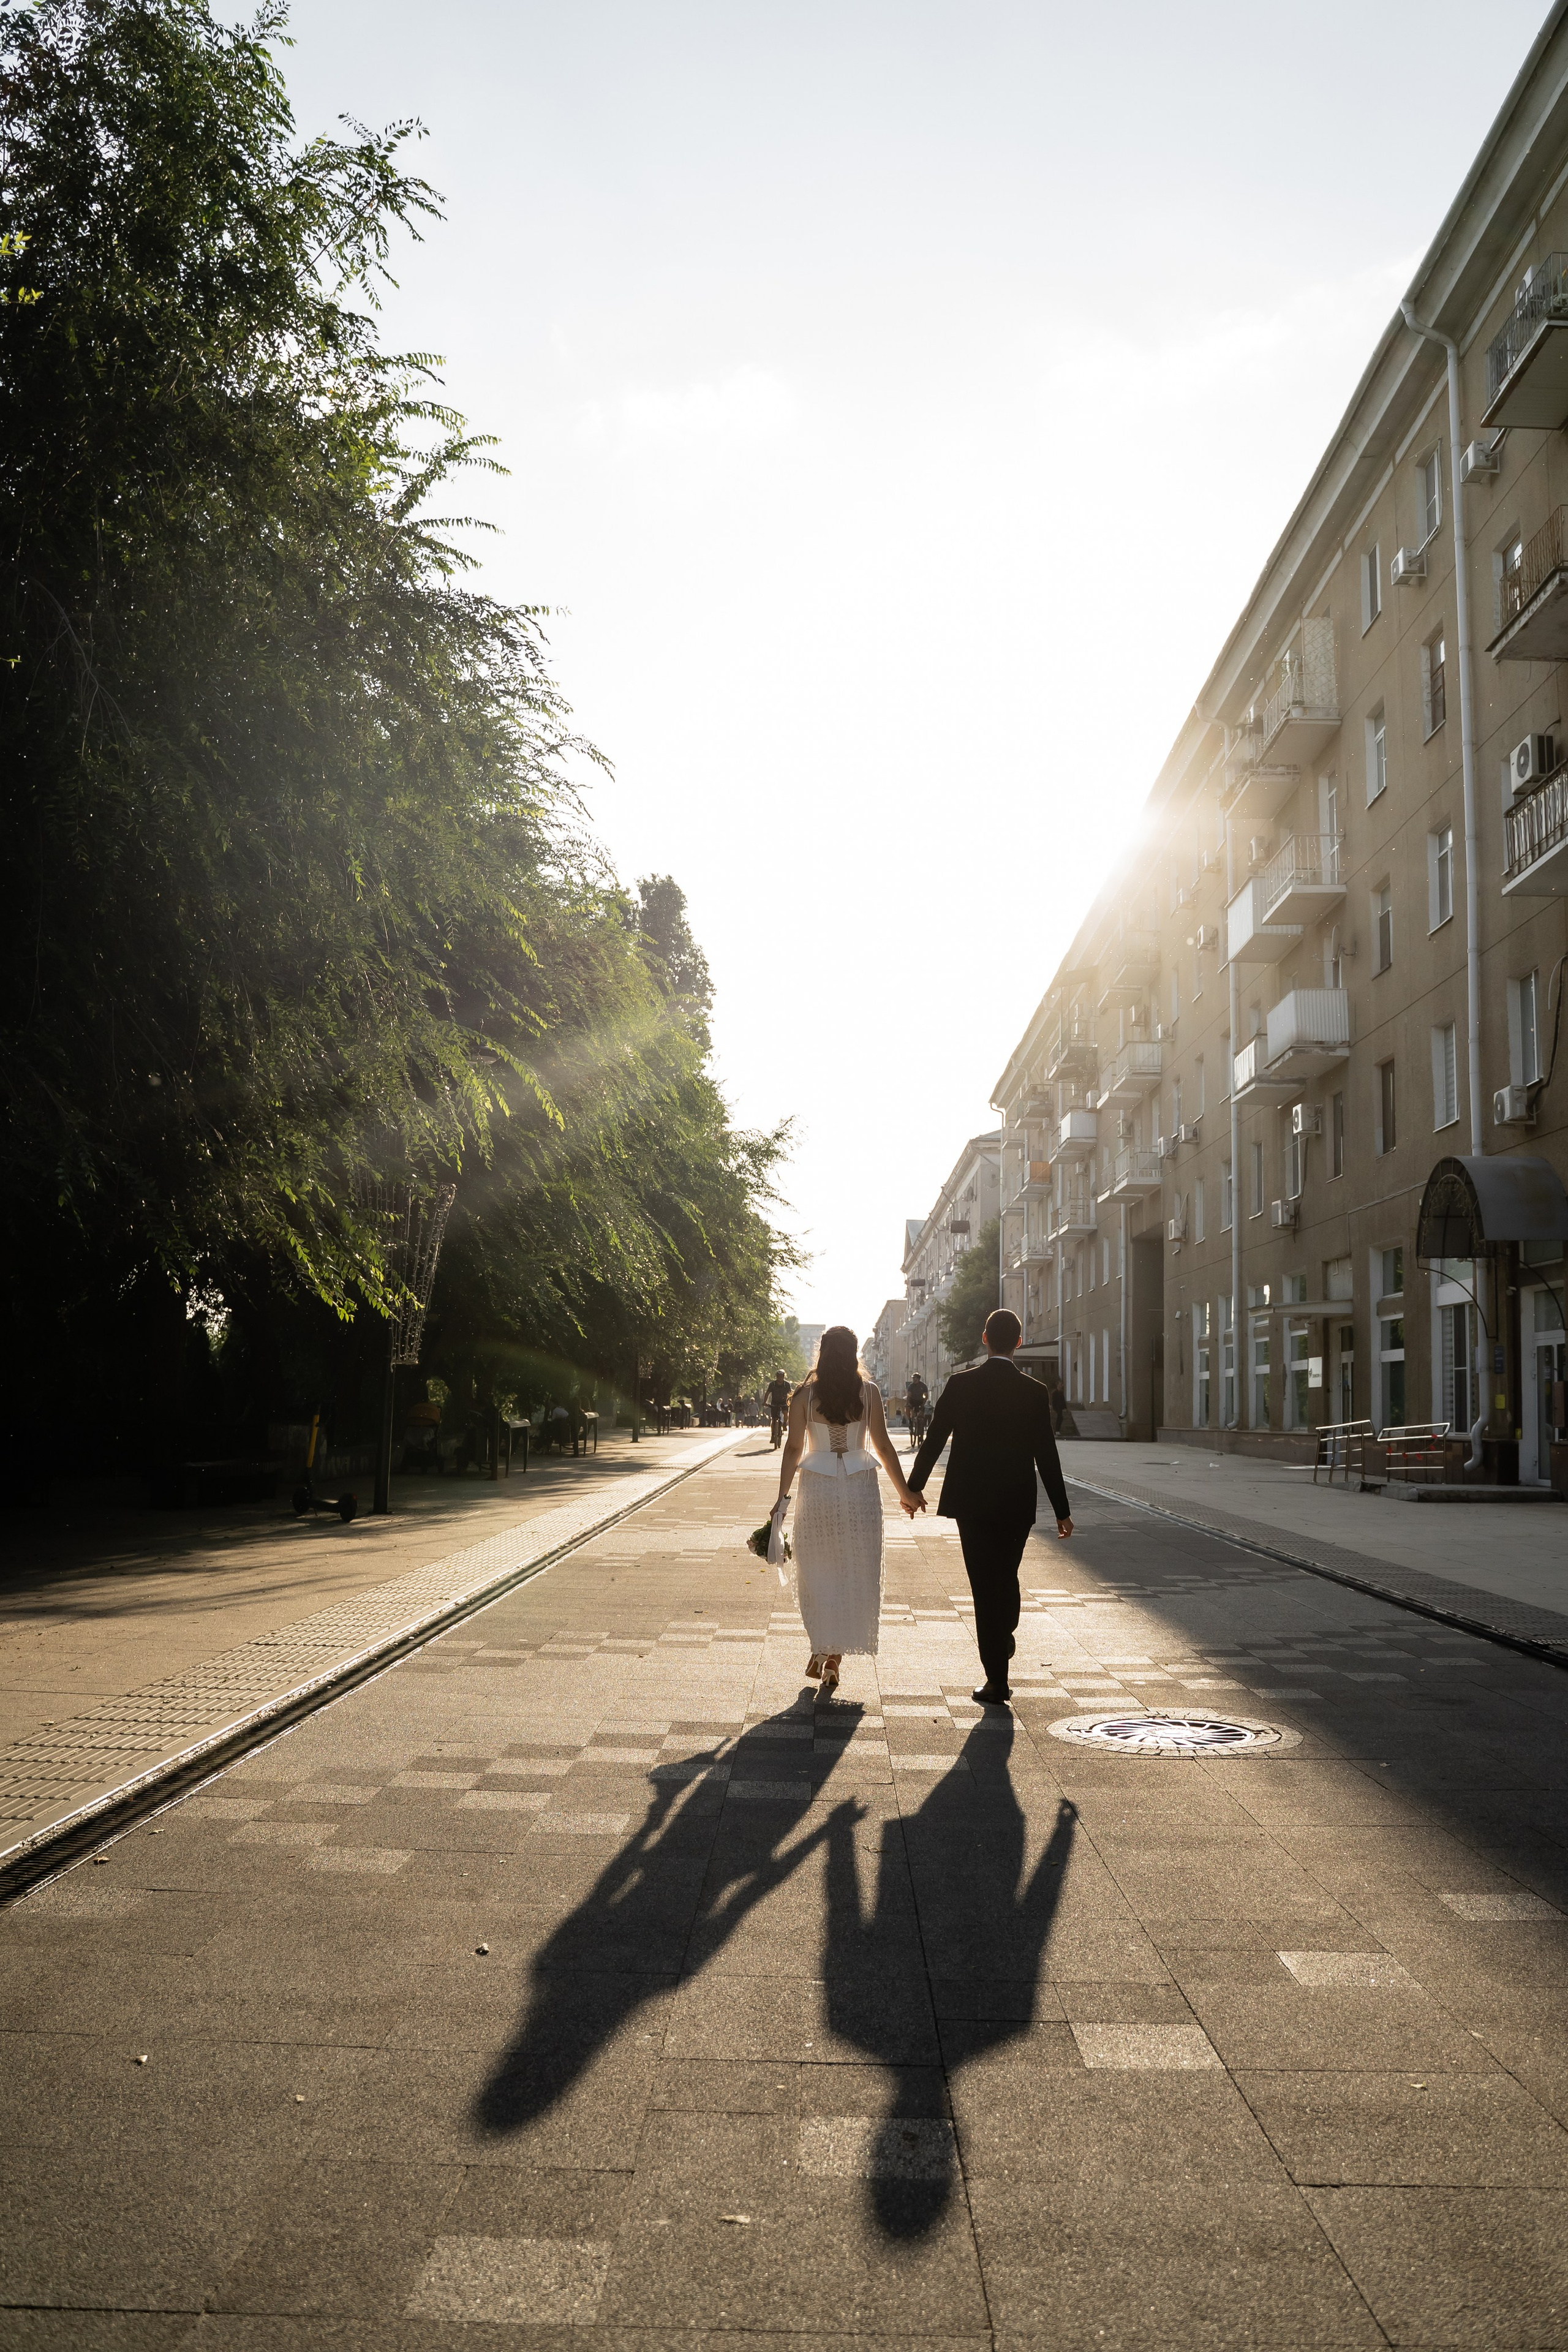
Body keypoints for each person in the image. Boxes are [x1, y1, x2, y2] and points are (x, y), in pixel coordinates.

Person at [907, 1306, 1072, 1707]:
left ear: (985, 1339)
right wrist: (1062, 1510)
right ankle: (1005, 1634)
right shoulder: (1034, 1392)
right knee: (1007, 1575)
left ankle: (996, 1679)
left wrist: (913, 1489)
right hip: (1017, 1502)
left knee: (985, 1587)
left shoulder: (960, 1385)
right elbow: (1046, 1455)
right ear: (1019, 1342)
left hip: (972, 1502)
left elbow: (934, 1441)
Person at [772, 1324, 923, 1696]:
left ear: (822, 1354)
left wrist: (781, 1499)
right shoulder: (868, 1393)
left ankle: (823, 1648)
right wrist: (905, 1492)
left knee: (817, 1569)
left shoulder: (804, 1396)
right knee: (854, 1569)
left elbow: (793, 1450)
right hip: (859, 1489)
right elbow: (884, 1447)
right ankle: (832, 1657)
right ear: (854, 1354)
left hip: (818, 1487)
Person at [764, 1369, 792, 1449]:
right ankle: (773, 1435)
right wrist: (764, 1402)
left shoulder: (787, 1385)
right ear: (777, 1377)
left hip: (784, 1403)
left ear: (784, 1377)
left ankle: (784, 1424)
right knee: (774, 1419)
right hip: (774, 1403)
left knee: (785, 1413)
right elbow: (768, 1393)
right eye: (778, 1377)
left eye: (781, 1377)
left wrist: (791, 1402)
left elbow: (790, 1394)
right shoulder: (772, 1384)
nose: (780, 1378)